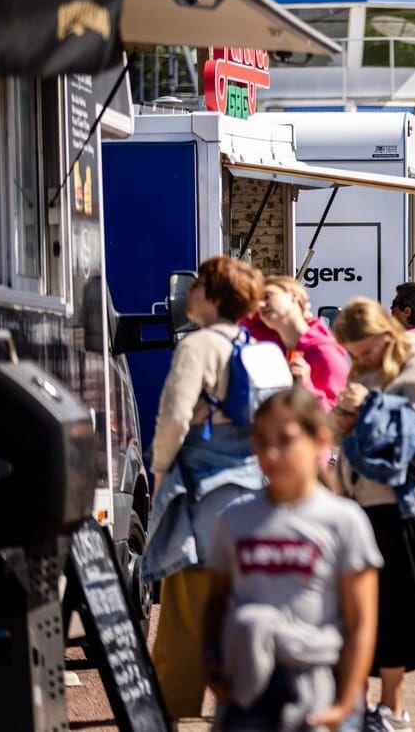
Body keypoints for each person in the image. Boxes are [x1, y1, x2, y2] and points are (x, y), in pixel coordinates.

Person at [203, 388, 380, 731]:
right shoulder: (233, 520)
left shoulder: (344, 521)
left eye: (286, 440)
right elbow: (215, 602)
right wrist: (211, 660)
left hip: (319, 686)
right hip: (247, 694)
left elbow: (361, 624)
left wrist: (345, 704)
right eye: (261, 441)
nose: (271, 452)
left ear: (319, 442)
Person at [144, 256, 269, 719]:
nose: (188, 294)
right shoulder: (258, 347)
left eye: (196, 287)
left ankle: (172, 706)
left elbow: (175, 415)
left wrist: (160, 468)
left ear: (212, 296)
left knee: (183, 605)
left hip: (200, 487)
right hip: (251, 489)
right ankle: (243, 701)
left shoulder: (196, 346)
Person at [331, 299, 415, 729]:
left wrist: (368, 407)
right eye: (353, 353)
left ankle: (393, 708)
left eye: (365, 350)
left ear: (387, 333)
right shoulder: (362, 373)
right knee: (357, 614)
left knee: (393, 613)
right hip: (354, 504)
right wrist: (339, 418)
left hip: (396, 506)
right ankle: (359, 705)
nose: (361, 360)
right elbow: (343, 435)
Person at [248, 275, 350, 414]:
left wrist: (306, 386)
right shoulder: (274, 346)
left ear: (293, 296)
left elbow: (338, 414)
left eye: (267, 296)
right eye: (258, 302)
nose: (261, 305)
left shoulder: (325, 352)